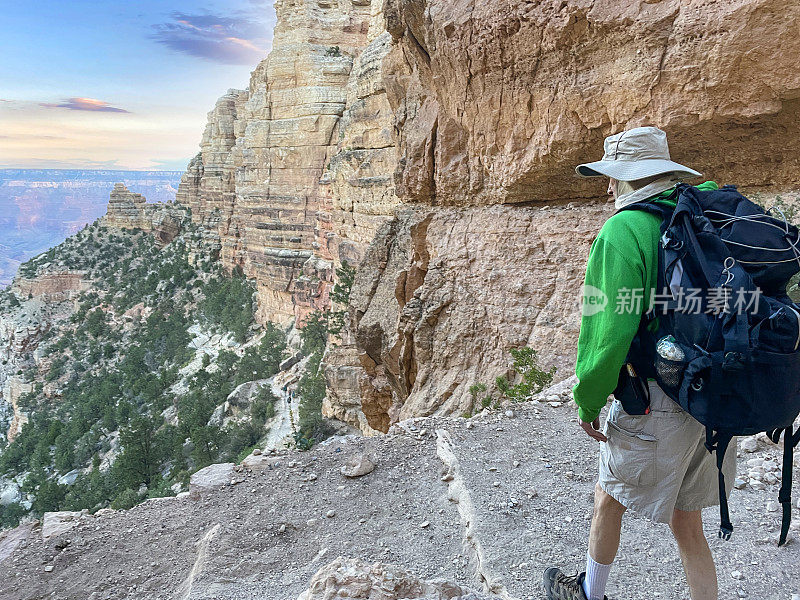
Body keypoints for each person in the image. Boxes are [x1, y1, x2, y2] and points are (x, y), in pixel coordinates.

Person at [542, 127, 737, 600]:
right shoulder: (708, 212)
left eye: (614, 177)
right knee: (687, 521)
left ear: (633, 179)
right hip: (719, 397)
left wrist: (588, 398)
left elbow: (607, 334)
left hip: (660, 398)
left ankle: (589, 591)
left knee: (608, 498)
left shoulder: (625, 230)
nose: (608, 187)